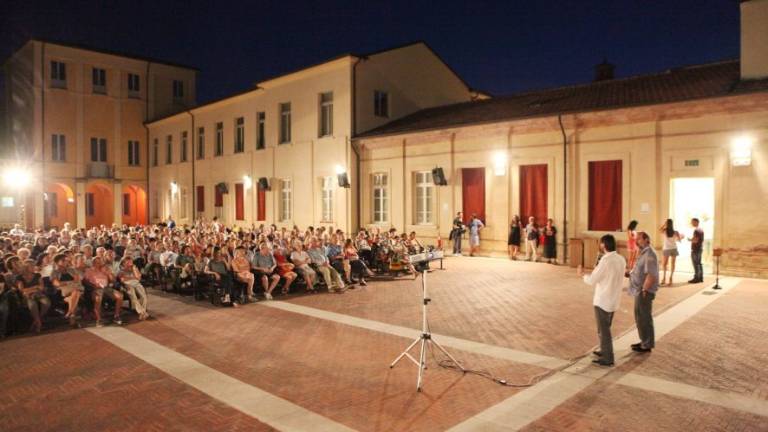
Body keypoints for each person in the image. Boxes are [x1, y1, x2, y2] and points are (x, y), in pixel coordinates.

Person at [578, 235, 626, 367]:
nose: (599, 245)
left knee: (603, 330)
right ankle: (603, 350)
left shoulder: (606, 261)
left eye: (600, 243)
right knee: (605, 328)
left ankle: (608, 357)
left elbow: (593, 280)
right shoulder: (621, 259)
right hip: (613, 299)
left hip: (603, 301)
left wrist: (582, 274)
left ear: (604, 245)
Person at [628, 231, 659, 353]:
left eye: (640, 239)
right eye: (637, 239)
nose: (637, 241)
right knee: (639, 316)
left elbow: (651, 275)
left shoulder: (650, 254)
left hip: (644, 291)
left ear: (647, 239)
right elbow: (640, 270)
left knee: (644, 317)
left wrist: (645, 289)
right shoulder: (643, 253)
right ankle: (644, 341)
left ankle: (647, 344)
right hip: (639, 290)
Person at [84, 256, 124, 326]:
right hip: (95, 288)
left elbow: (113, 280)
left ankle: (116, 316)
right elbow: (85, 281)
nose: (99, 264)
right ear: (93, 263)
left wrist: (108, 273)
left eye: (100, 262)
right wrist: (94, 286)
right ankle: (98, 319)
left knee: (120, 296)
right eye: (97, 262)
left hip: (106, 288)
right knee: (98, 299)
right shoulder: (89, 270)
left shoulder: (104, 269)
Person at [50, 254, 82, 327]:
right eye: (63, 260)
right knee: (76, 294)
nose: (66, 262)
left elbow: (77, 280)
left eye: (66, 260)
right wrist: (69, 282)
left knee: (74, 295)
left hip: (75, 289)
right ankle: (72, 318)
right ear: (57, 262)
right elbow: (57, 284)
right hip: (61, 292)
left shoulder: (71, 270)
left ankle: (70, 313)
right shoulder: (54, 272)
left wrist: (64, 283)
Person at [17, 259, 49, 333]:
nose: (34, 267)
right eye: (31, 266)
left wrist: (31, 290)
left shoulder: (38, 275)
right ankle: (39, 324)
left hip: (38, 294)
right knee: (32, 305)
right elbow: (21, 290)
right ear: (26, 267)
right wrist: (35, 287)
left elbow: (41, 287)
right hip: (27, 296)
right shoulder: (20, 277)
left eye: (33, 266)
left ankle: (36, 321)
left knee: (47, 303)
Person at [659, 219, 681, 285]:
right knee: (673, 264)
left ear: (667, 224)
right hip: (674, 248)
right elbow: (679, 240)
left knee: (664, 264)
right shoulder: (676, 232)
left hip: (667, 249)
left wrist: (664, 225)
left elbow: (659, 229)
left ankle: (664, 278)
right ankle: (671, 278)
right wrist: (679, 238)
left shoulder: (665, 230)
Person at [688, 218, 704, 283]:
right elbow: (698, 239)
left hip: (695, 249)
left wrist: (690, 240)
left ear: (696, 222)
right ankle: (700, 278)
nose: (692, 223)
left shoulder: (696, 230)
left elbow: (696, 240)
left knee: (696, 264)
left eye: (692, 222)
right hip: (700, 248)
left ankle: (696, 278)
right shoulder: (701, 230)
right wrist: (692, 239)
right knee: (699, 263)